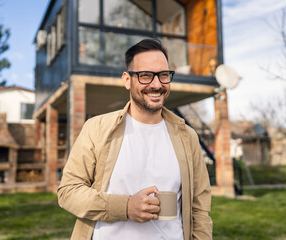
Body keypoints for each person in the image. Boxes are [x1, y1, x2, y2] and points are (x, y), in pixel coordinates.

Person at [57, 39, 212, 240]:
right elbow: (68, 192)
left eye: (163, 75)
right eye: (146, 75)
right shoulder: (97, 128)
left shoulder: (187, 136)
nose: (157, 85)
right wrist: (126, 207)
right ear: (127, 80)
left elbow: (199, 208)